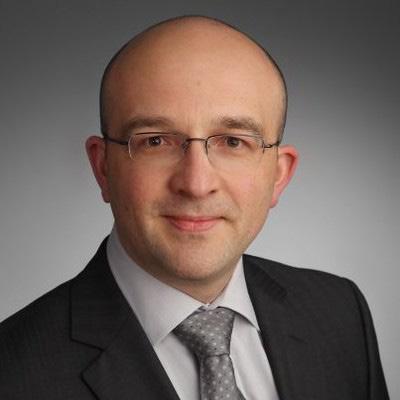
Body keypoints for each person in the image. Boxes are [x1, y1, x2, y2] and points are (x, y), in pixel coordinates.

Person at [0, 15, 389, 400]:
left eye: (233, 142)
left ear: (278, 175)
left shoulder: (340, 312)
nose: (196, 184)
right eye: (155, 141)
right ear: (103, 168)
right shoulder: (13, 372)